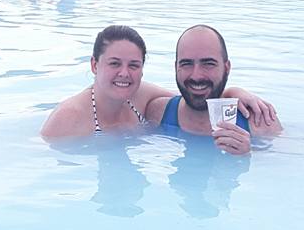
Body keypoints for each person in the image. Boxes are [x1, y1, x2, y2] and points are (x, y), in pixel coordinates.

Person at [41, 25, 276, 140]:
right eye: (114, 63)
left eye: (133, 65)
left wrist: (232, 91)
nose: (124, 73)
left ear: (142, 70)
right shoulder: (69, 117)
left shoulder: (141, 96)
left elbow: (194, 97)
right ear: (94, 65)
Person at [145, 25, 282, 155]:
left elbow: (286, 166)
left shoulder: (258, 121)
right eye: (187, 64)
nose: (196, 76)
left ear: (227, 68)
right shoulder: (157, 113)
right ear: (176, 67)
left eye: (208, 64)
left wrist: (247, 154)